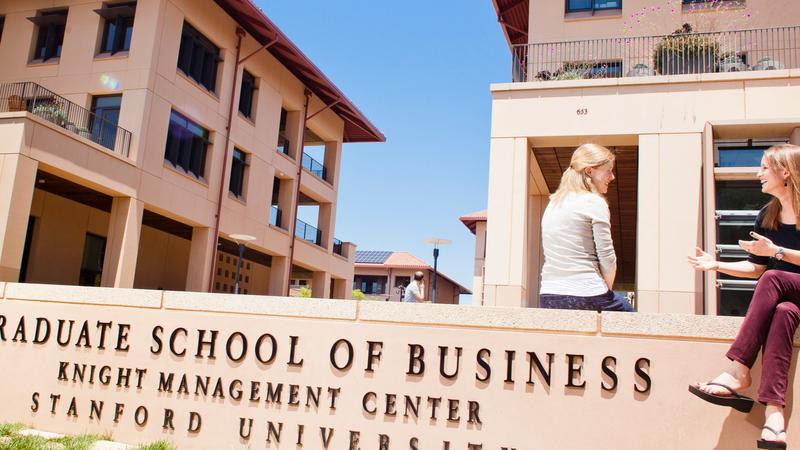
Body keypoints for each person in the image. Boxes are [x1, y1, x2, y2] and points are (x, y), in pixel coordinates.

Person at [688, 143, 800, 449]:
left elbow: (770, 264)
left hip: (789, 282)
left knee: (774, 276)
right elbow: (756, 267)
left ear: (785, 172)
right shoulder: (768, 214)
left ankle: (738, 370)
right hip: (788, 297)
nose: (758, 173)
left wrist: (776, 251)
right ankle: (774, 417)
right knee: (783, 313)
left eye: (764, 167)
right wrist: (716, 264)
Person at [539, 143, 632, 312]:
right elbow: (608, 258)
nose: (612, 177)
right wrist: (607, 292)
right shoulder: (593, 202)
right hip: (587, 294)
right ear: (589, 171)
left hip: (548, 296)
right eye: (608, 170)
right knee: (631, 317)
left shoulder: (553, 204)